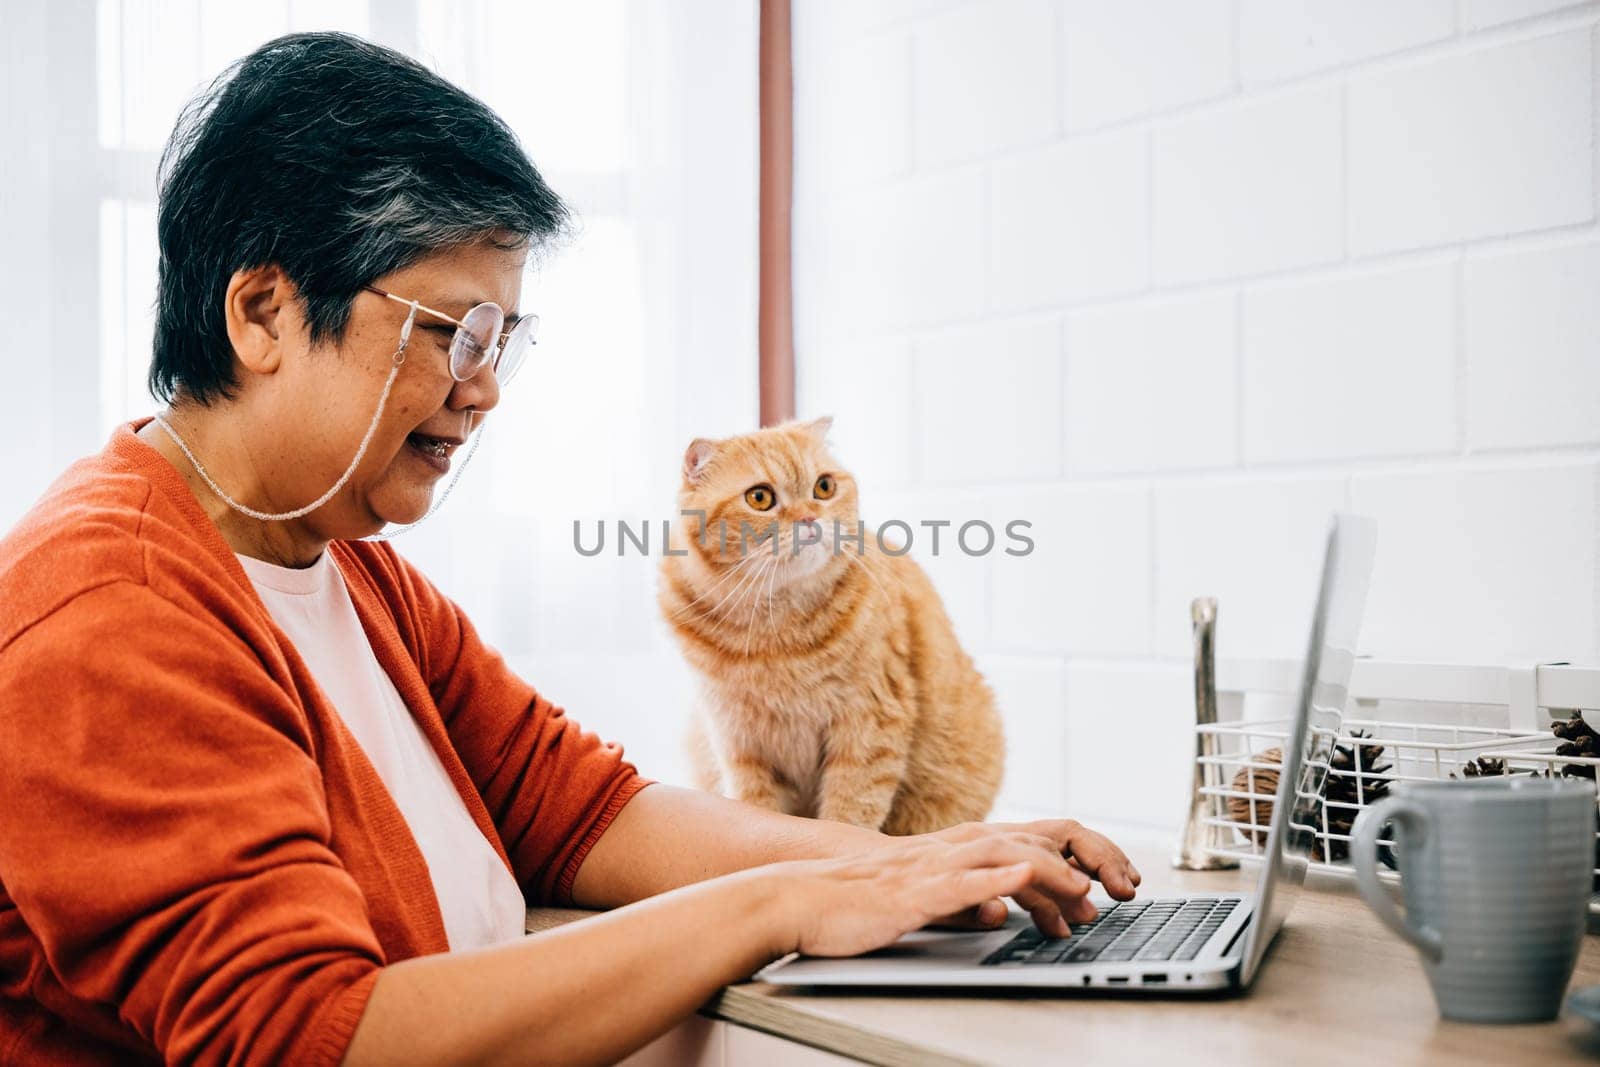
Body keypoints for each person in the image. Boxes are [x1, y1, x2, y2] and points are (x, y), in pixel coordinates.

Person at [0, 32, 1139, 1066]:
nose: (486, 388)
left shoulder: (339, 557)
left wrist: (889, 860)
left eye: (504, 338)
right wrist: (781, 898)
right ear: (262, 314)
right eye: (454, 334)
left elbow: (575, 805)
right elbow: (311, 1038)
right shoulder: (108, 606)